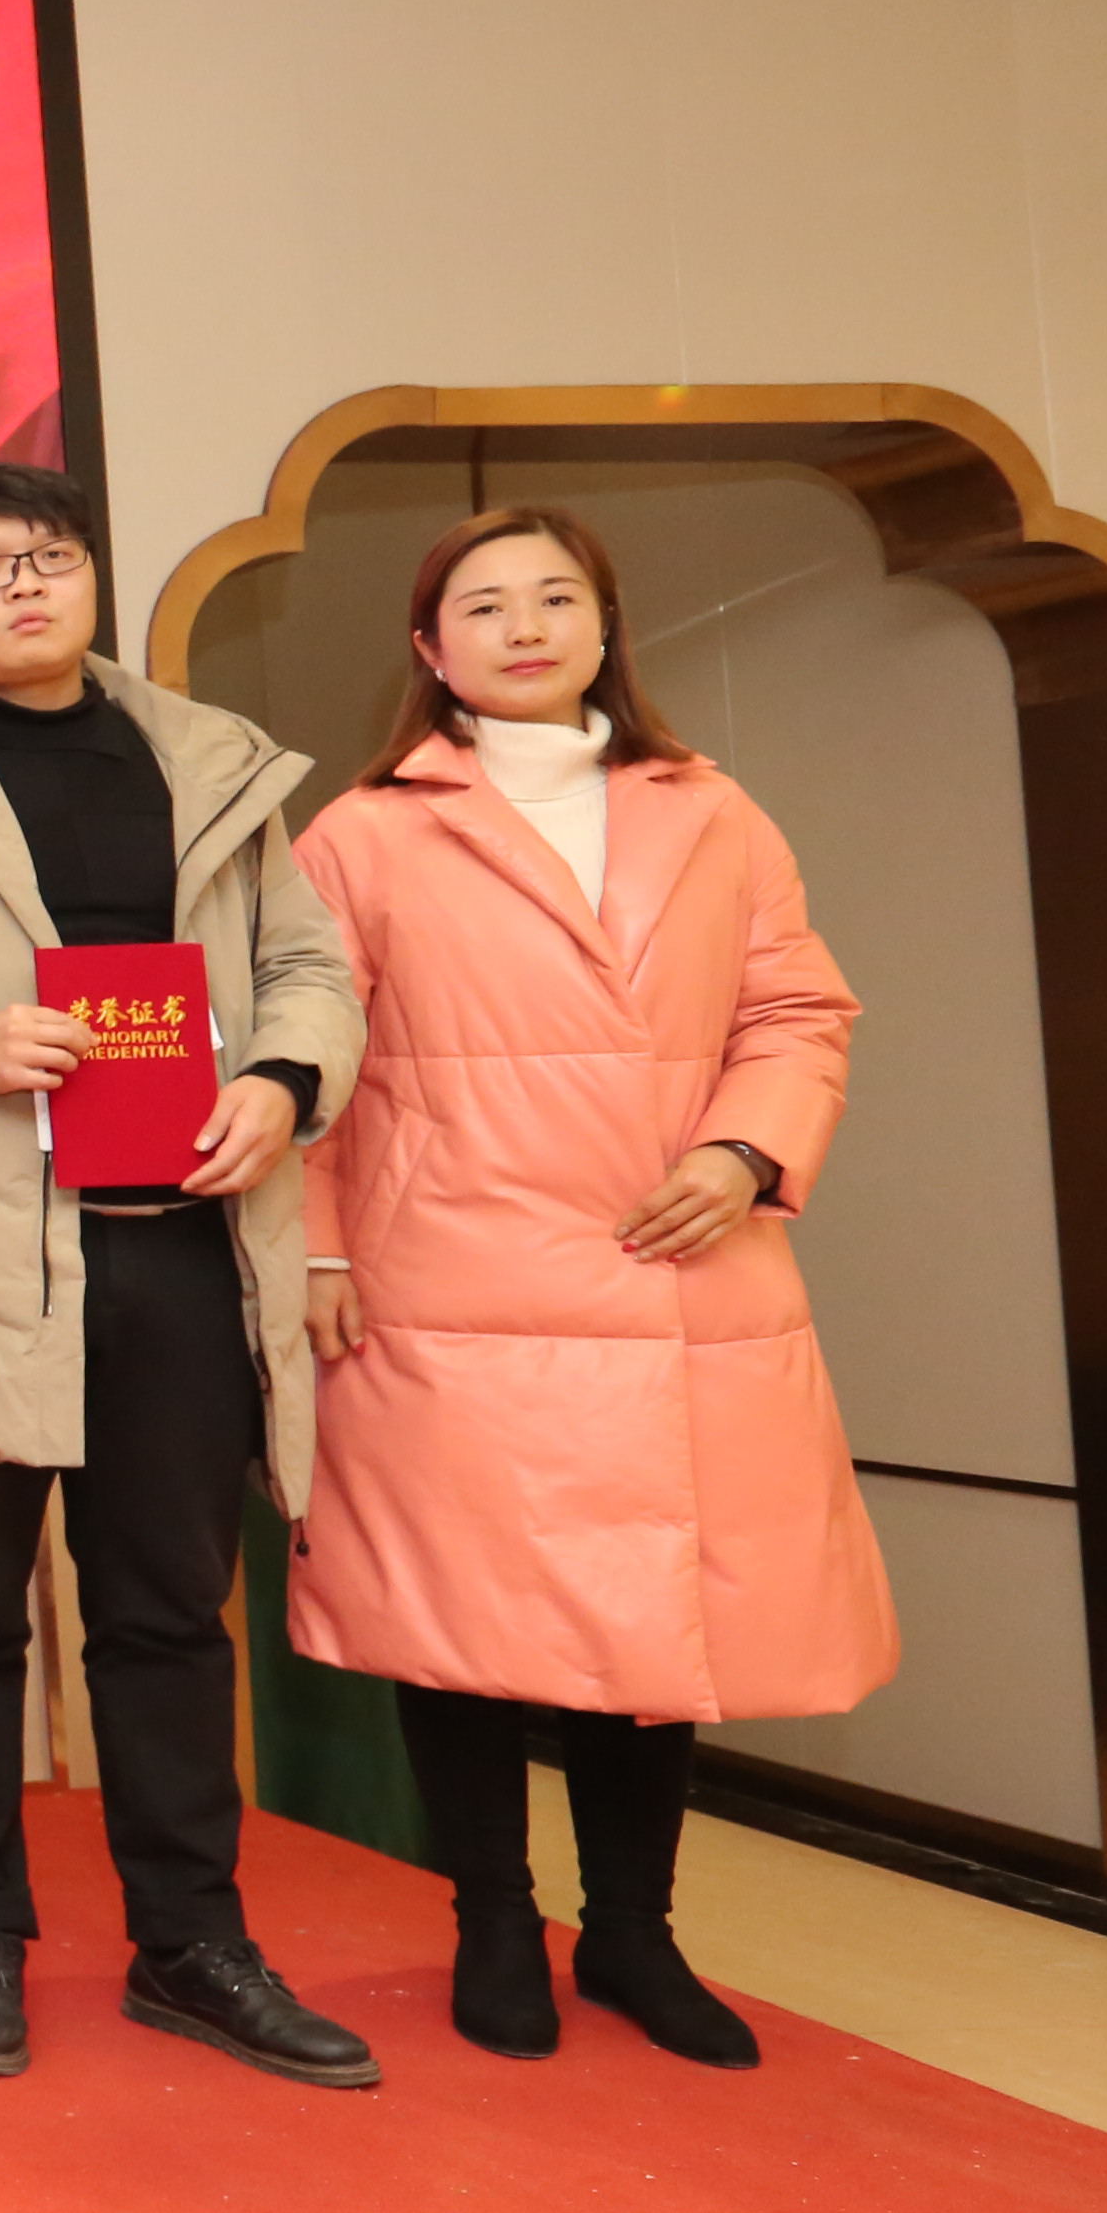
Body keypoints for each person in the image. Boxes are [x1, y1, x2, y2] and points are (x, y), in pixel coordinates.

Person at [0, 461, 377, 2091]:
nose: (25, 586)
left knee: (169, 1616)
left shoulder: (208, 757)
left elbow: (310, 966)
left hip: (183, 1243)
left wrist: (285, 1080)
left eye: (48, 557)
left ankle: (192, 1942)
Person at [288, 506, 895, 2069]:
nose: (525, 627)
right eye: (484, 605)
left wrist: (749, 1152)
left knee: (651, 1620)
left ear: (606, 627)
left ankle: (634, 1931)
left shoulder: (715, 812)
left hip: (674, 1260)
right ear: (431, 651)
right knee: (456, 1615)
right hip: (450, 1282)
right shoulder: (363, 833)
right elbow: (305, 1057)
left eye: (556, 598)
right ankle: (494, 1920)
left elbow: (796, 1011)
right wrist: (319, 1244)